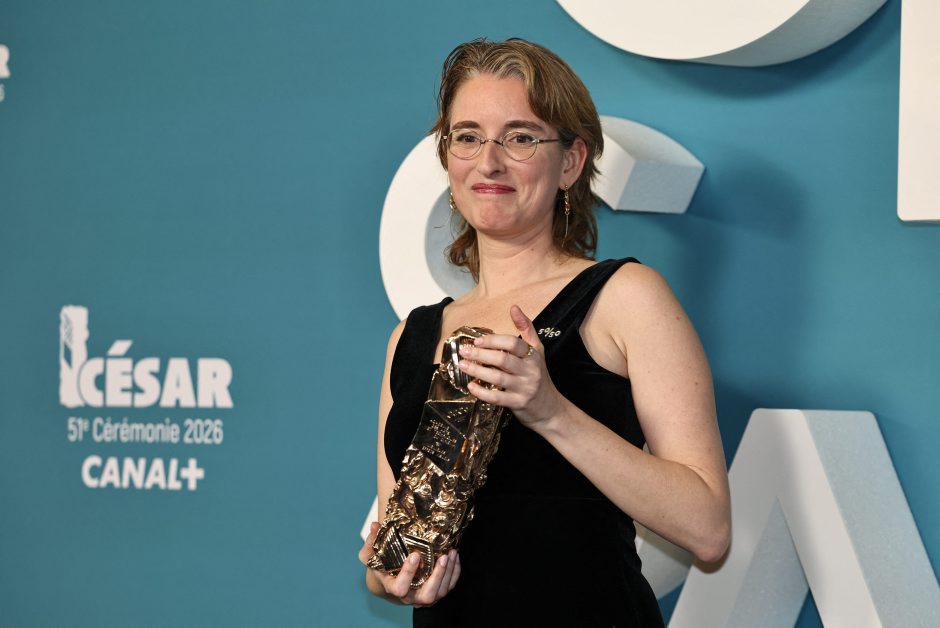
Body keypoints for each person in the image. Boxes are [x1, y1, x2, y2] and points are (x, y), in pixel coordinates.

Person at [359, 38, 730, 627]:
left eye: (521, 138)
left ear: (572, 163)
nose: (489, 162)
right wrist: (390, 577)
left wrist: (551, 412)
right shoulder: (412, 336)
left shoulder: (624, 297)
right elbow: (395, 539)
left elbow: (707, 528)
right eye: (468, 136)